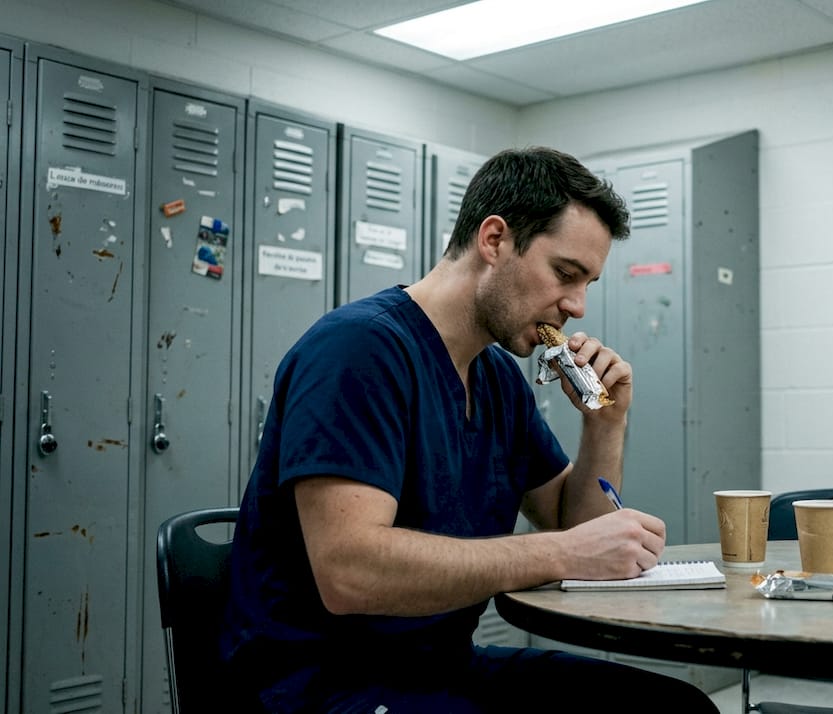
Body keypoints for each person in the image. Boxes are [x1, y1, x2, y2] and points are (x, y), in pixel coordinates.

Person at [221, 146, 720, 713]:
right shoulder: (357, 351)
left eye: (588, 283)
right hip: (323, 685)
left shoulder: (498, 379)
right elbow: (349, 572)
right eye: (565, 274)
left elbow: (577, 527)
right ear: (494, 240)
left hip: (439, 668)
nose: (577, 306)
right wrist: (559, 554)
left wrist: (606, 425)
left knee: (676, 708)